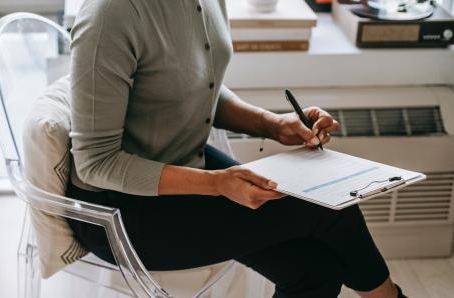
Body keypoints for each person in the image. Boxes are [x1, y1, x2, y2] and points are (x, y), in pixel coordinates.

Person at [65, 0, 406, 297]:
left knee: (314, 271)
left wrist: (272, 124)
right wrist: (215, 184)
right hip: (118, 212)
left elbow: (195, 83)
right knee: (326, 204)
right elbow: (96, 163)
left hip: (186, 164)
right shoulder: (111, 13)